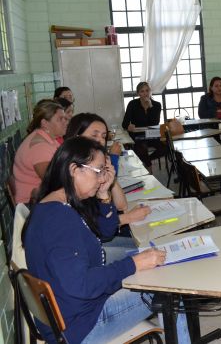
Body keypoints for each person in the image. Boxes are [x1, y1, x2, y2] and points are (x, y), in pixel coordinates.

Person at [22, 137, 190, 344]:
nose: (103, 178)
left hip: (70, 314)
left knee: (146, 268)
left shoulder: (53, 205)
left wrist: (103, 193)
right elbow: (82, 285)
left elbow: (104, 234)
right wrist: (133, 264)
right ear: (75, 170)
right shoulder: (59, 221)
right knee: (167, 285)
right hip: (80, 326)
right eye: (98, 171)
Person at [66, 112, 151, 262]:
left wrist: (109, 173)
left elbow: (121, 205)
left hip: (96, 239)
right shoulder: (76, 171)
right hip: (86, 251)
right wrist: (129, 217)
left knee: (147, 245)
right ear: (77, 137)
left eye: (104, 136)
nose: (100, 141)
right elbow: (97, 228)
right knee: (146, 251)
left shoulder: (93, 164)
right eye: (94, 135)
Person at [12, 100, 68, 204]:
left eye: (65, 118)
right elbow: (54, 182)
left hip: (42, 198)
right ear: (45, 123)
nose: (66, 121)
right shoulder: (40, 148)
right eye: (60, 119)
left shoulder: (48, 138)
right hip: (32, 204)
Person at [121, 81, 164, 172]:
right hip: (137, 135)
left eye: (147, 90)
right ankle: (149, 166)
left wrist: (150, 106)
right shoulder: (132, 104)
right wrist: (129, 127)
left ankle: (146, 160)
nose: (145, 93)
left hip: (151, 134)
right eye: (142, 91)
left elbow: (155, 122)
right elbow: (124, 123)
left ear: (150, 91)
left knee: (165, 148)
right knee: (141, 148)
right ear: (138, 93)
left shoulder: (156, 105)